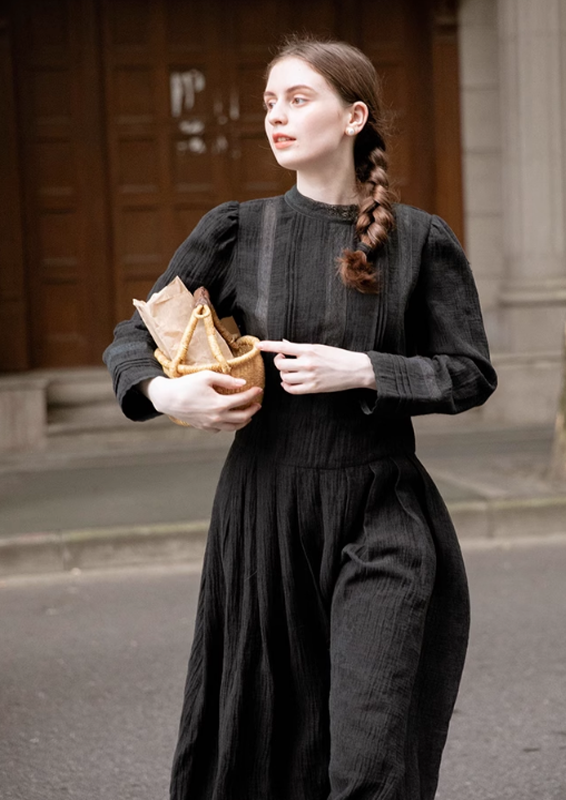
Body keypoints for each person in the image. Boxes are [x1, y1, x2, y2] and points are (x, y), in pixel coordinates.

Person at [104, 36, 497, 800]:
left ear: (354, 117)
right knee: (266, 746)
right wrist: (163, 394)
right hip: (264, 517)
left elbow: (471, 374)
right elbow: (135, 335)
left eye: (298, 99)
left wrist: (363, 368)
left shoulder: (419, 240)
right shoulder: (237, 231)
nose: (276, 117)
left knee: (368, 755)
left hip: (385, 513)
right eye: (269, 104)